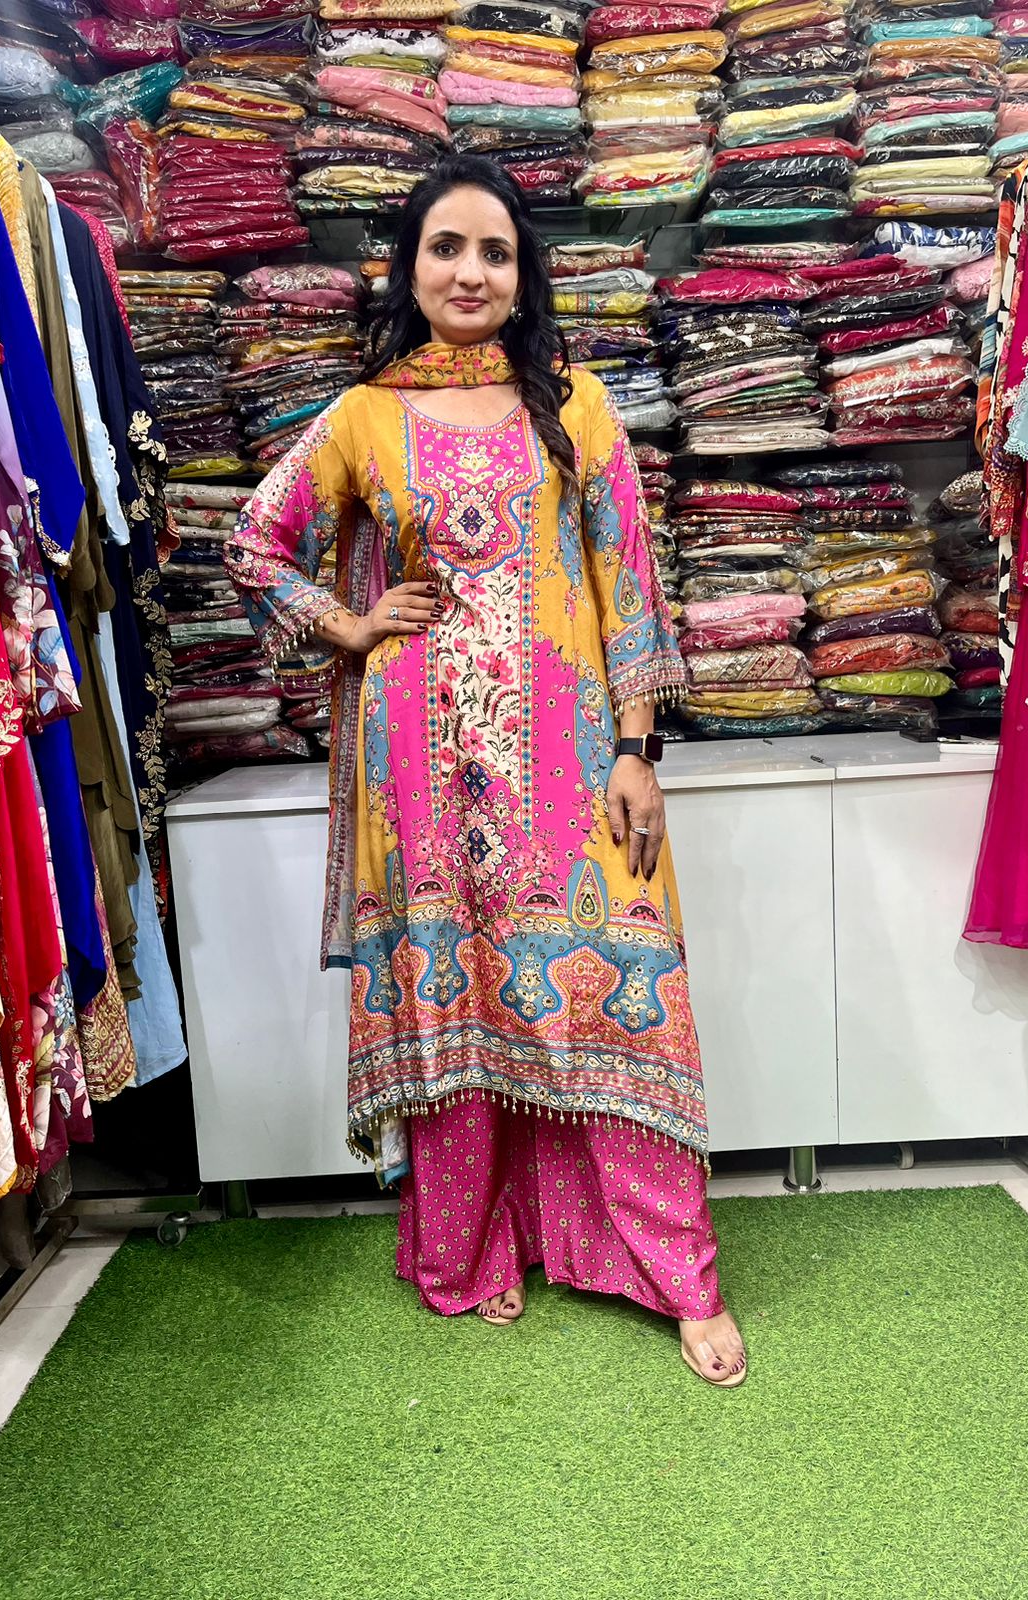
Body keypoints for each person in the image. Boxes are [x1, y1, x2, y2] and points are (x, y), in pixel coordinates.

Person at [225, 155, 746, 1387]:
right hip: (419, 771)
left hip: (571, 763)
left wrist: (637, 748)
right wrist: (347, 623)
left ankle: (675, 1270)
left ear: (523, 275)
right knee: (457, 1005)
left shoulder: (576, 406)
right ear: (408, 268)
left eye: (495, 251)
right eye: (446, 247)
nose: (470, 272)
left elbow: (628, 587)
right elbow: (254, 543)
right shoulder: (363, 416)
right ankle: (470, 1245)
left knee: (617, 995)